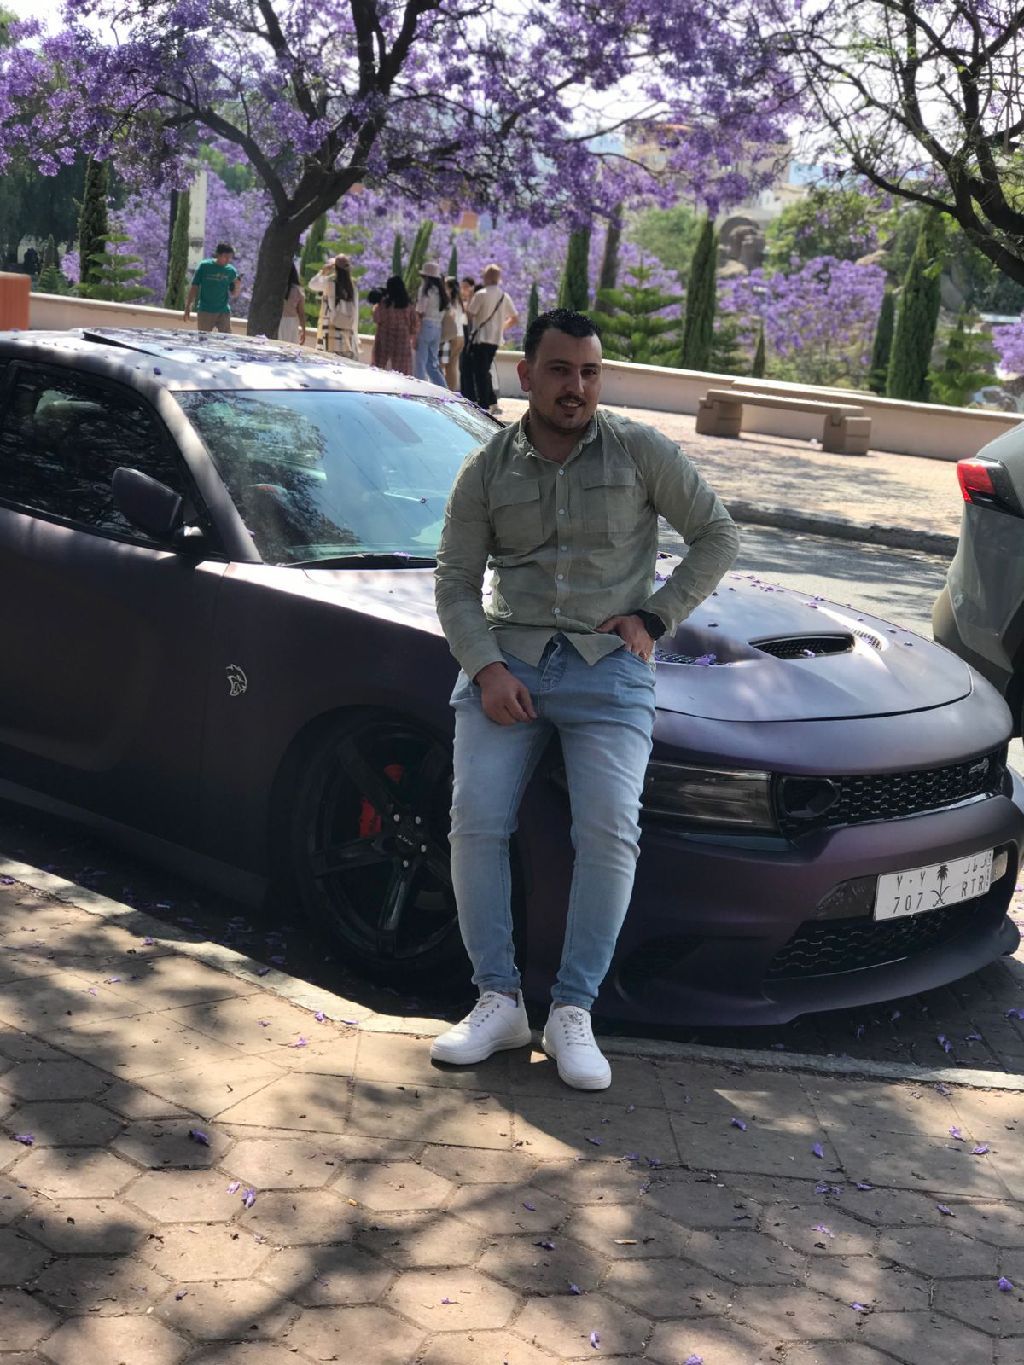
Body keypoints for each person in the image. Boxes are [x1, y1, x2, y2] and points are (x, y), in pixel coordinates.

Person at [432, 308, 740, 1090]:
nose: (577, 386)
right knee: (476, 820)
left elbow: (718, 533)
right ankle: (498, 1000)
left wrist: (655, 617)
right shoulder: (487, 469)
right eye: (562, 370)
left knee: (608, 829)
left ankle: (573, 1008)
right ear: (526, 375)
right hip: (510, 665)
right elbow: (456, 581)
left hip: (610, 670)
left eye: (590, 372)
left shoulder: (640, 450)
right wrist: (485, 668)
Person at [465, 263, 518, 414]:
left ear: (486, 277)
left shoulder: (481, 294)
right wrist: (501, 327)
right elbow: (514, 318)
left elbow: (470, 314)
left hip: (480, 338)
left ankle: (484, 404)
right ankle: (491, 400)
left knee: (480, 372)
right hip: (495, 339)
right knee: (485, 370)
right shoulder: (504, 296)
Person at [309, 254, 359, 358]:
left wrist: (323, 271)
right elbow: (356, 310)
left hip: (330, 328)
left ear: (335, 267)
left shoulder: (329, 282)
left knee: (329, 360)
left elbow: (312, 284)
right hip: (347, 330)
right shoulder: (353, 285)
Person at [184, 243, 241, 333]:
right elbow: (194, 287)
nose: (228, 260)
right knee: (203, 338)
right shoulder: (204, 266)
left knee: (226, 338)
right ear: (218, 254)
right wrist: (188, 306)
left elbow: (234, 294)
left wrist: (237, 285)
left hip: (223, 311)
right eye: (225, 257)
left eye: (230, 257)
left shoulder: (231, 271)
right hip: (205, 310)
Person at [371, 274, 418, 375]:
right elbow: (414, 325)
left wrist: (376, 305)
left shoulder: (384, 304)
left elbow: (376, 318)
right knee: (401, 371)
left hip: (385, 339)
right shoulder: (409, 305)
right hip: (403, 340)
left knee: (380, 368)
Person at [413, 260, 449, 387]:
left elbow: (420, 311)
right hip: (437, 328)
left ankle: (419, 389)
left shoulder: (425, 290)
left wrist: (415, 331)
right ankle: (443, 388)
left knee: (420, 362)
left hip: (426, 325)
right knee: (432, 363)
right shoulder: (442, 293)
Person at [441, 276, 465, 391]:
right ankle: (451, 390)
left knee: (442, 365)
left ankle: (444, 390)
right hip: (460, 336)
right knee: (452, 366)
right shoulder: (459, 302)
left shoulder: (449, 302)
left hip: (451, 337)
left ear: (449, 288)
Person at [278, 263, 307, 346]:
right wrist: (304, 331)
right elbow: (301, 313)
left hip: (278, 321)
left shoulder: (276, 289)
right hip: (292, 323)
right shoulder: (298, 290)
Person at [458, 277, 478, 400]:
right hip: (463, 336)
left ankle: (470, 395)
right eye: (462, 287)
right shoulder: (461, 302)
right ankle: (464, 393)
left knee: (468, 366)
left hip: (471, 337)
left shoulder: (474, 301)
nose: (463, 290)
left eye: (466, 287)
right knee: (462, 366)